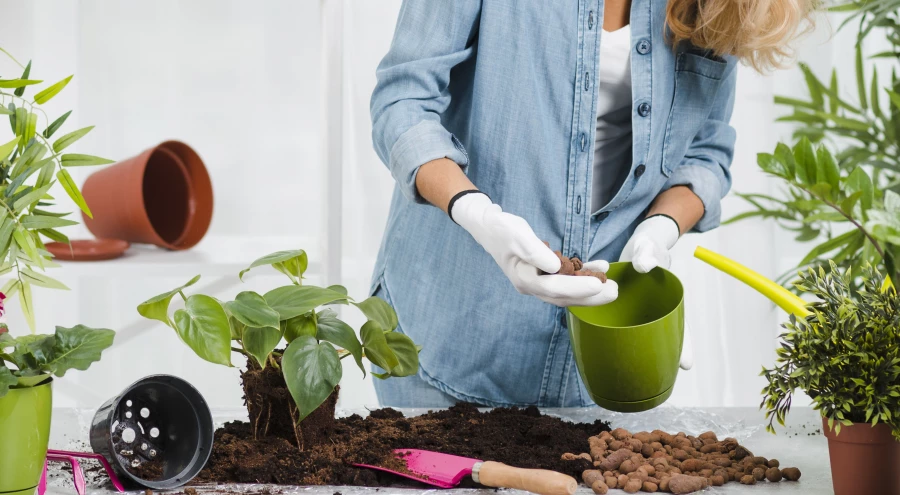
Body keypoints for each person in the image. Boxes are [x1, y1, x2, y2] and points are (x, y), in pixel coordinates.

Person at [368, 0, 815, 408]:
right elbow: (404, 100)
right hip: (444, 338)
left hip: (596, 366)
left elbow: (705, 152)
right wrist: (477, 213)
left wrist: (660, 228)